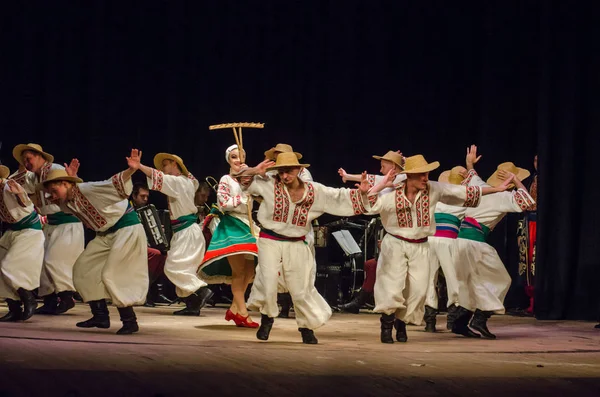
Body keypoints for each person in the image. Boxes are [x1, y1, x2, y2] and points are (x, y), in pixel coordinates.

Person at [367, 154, 511, 344]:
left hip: (421, 244)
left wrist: (496, 189)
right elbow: (370, 203)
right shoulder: (392, 196)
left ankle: (400, 321)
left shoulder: (433, 189)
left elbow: (461, 192)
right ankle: (386, 324)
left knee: (418, 291)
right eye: (421, 175)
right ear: (409, 176)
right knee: (391, 285)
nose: (426, 179)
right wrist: (382, 185)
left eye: (427, 174)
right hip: (395, 244)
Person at [236, 152, 373, 344]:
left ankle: (306, 327)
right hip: (270, 240)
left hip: (296, 243)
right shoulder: (268, 183)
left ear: (300, 170)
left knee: (300, 290)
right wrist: (254, 170)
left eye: (289, 171)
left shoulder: (314, 191)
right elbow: (239, 179)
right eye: (281, 172)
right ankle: (267, 318)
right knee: (267, 282)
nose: (284, 176)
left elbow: (337, 196)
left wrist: (362, 194)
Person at [42, 150, 148, 334]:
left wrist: (131, 170)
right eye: (50, 192)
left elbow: (112, 185)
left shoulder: (87, 189)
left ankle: (129, 321)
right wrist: (71, 181)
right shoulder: (67, 201)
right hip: (105, 234)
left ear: (65, 183)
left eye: (54, 190)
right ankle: (100, 316)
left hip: (126, 229)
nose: (53, 196)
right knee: (83, 268)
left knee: (112, 273)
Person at [454, 162, 535, 339]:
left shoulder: (480, 186)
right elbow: (528, 203)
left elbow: (471, 176)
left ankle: (460, 320)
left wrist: (470, 163)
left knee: (473, 281)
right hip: (475, 243)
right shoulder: (503, 196)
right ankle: (479, 318)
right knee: (501, 280)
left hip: (458, 241)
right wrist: (516, 182)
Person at [129, 150, 213, 316]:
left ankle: (201, 291)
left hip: (186, 232)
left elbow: (158, 177)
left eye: (166, 164)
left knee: (172, 268)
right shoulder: (189, 181)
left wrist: (139, 166)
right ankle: (192, 305)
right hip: (187, 231)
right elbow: (193, 180)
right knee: (185, 270)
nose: (163, 168)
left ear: (175, 165)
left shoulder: (178, 182)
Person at [10, 143, 84, 315]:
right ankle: (50, 300)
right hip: (51, 224)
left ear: (39, 156)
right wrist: (23, 166)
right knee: (42, 262)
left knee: (55, 260)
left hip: (68, 223)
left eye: (29, 159)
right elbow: (16, 182)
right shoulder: (33, 176)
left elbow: (72, 189)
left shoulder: (55, 170)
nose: (27, 163)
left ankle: (66, 298)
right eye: (24, 160)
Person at [198, 144, 259, 328]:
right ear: (228, 160)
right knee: (239, 272)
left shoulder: (249, 179)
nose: (238, 160)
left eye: (240, 156)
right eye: (234, 157)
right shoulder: (226, 179)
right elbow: (223, 203)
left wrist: (250, 184)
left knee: (250, 271)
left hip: (248, 224)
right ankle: (243, 312)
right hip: (232, 224)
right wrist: (242, 198)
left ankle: (234, 308)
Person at [0, 164, 44, 322]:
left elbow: (25, 201)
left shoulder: (8, 185)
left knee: (10, 266)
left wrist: (19, 193)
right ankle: (14, 308)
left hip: (29, 230)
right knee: (1, 268)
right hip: (12, 232)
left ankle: (29, 298)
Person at [130, 182, 172, 307]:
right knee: (155, 254)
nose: (145, 199)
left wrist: (160, 230)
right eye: (142, 196)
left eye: (147, 196)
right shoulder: (128, 209)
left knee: (164, 255)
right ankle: (143, 292)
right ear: (134, 196)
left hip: (144, 245)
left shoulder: (147, 210)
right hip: (129, 245)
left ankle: (154, 292)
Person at [517, 154, 538, 315]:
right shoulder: (531, 179)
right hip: (528, 221)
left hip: (538, 222)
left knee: (535, 259)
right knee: (527, 258)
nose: (537, 164)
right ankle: (530, 301)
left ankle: (536, 301)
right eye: (535, 160)